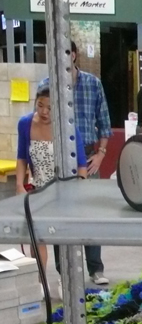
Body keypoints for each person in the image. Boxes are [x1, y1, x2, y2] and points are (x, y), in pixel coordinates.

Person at [39, 41, 111, 286]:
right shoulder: (46, 86)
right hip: (58, 158)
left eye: (65, 52)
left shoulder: (93, 84)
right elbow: (39, 123)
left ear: (74, 55)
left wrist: (101, 153)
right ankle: (64, 272)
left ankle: (95, 268)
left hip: (88, 156)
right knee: (60, 216)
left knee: (91, 214)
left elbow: (104, 122)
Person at [16, 86, 87, 292]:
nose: (44, 112)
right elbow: (21, 157)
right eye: (40, 106)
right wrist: (19, 184)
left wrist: (80, 191)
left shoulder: (68, 127)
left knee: (65, 240)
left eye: (49, 108)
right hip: (38, 189)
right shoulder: (25, 124)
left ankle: (68, 282)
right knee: (37, 237)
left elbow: (81, 163)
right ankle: (41, 283)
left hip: (65, 191)